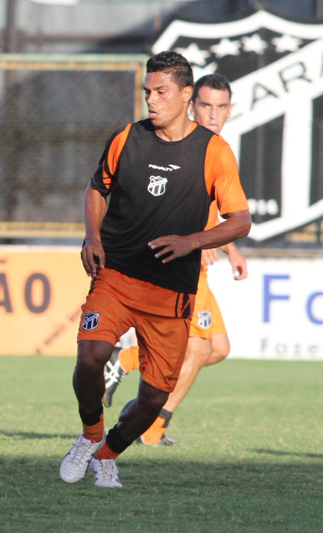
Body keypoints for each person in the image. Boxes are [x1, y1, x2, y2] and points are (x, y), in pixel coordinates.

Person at [59, 53, 251, 488]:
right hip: (117, 276)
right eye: (148, 91)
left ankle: (107, 454)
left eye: (161, 91)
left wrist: (191, 242)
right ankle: (90, 436)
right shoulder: (127, 138)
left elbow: (240, 220)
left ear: (186, 95)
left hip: (171, 291)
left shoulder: (214, 151)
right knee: (89, 357)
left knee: (153, 398)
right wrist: (92, 237)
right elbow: (96, 188)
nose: (151, 99)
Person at [102, 74, 248, 447]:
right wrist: (196, 243)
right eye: (205, 105)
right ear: (190, 103)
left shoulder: (214, 147)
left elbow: (219, 209)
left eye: (221, 107)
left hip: (198, 259)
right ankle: (152, 426)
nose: (213, 114)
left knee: (218, 348)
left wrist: (229, 249)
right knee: (198, 347)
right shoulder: (183, 145)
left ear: (230, 110)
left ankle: (128, 362)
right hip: (181, 265)